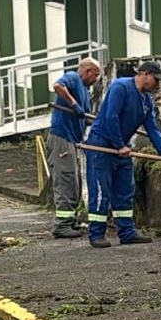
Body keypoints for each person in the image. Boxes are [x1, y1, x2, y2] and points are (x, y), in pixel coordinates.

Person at [84, 60, 161, 247]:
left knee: (125, 190)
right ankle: (96, 233)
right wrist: (119, 144)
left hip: (122, 148)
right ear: (144, 74)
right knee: (101, 189)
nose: (157, 84)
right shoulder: (120, 87)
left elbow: (153, 130)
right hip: (102, 144)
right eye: (156, 79)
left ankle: (127, 231)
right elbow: (111, 117)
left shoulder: (146, 101)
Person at [47, 57, 102, 238]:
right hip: (62, 137)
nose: (96, 79)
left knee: (74, 181)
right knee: (65, 180)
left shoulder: (85, 91)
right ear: (86, 71)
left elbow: (83, 116)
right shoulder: (73, 78)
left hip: (71, 140)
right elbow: (57, 86)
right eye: (95, 75)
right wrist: (73, 104)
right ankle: (61, 225)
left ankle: (70, 221)